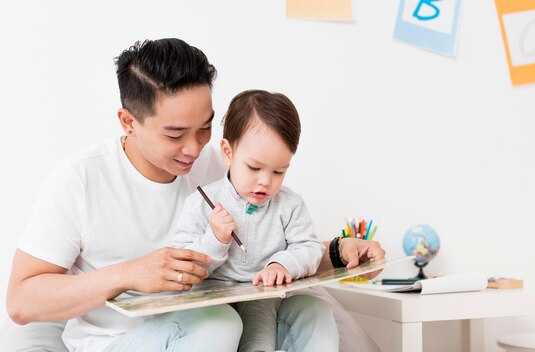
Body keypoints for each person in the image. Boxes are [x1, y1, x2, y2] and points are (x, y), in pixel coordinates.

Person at [3, 38, 386, 352]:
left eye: (204, 128)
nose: (194, 148)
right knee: (216, 322)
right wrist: (130, 273)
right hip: (122, 341)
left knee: (311, 313)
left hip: (225, 322)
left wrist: (337, 251)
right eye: (175, 134)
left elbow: (264, 251)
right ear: (128, 122)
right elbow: (22, 301)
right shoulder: (79, 179)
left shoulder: (224, 167)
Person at [171, 89, 337, 352]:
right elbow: (183, 264)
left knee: (269, 332)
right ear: (228, 152)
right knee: (223, 329)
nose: (265, 181)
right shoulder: (202, 203)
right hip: (212, 301)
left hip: (262, 296)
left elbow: (308, 247)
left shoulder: (289, 204)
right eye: (254, 168)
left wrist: (281, 265)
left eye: (278, 171)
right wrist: (214, 240)